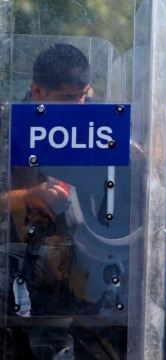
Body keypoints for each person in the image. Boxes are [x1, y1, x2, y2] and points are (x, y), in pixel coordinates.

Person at [1, 43, 129, 359]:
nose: (79, 108)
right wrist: (25, 197)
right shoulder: (9, 125)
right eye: (68, 99)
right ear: (37, 91)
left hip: (86, 261)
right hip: (16, 259)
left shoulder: (101, 122)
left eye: (83, 97)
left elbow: (137, 180)